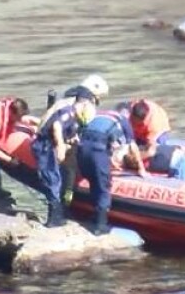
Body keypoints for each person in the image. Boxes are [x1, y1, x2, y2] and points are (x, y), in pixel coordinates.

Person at [77, 104, 143, 235]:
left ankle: (95, 216)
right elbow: (132, 146)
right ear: (127, 114)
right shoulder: (123, 121)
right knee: (103, 187)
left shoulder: (98, 114)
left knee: (92, 181)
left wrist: (111, 161)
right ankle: (100, 226)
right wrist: (141, 168)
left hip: (82, 148)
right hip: (97, 150)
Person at [32, 93, 96, 227]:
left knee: (57, 180)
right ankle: (54, 218)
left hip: (50, 147)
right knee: (52, 180)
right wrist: (61, 146)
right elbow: (56, 126)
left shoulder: (75, 118)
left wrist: (71, 140)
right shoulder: (67, 112)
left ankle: (58, 214)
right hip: (45, 147)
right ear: (83, 104)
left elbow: (67, 132)